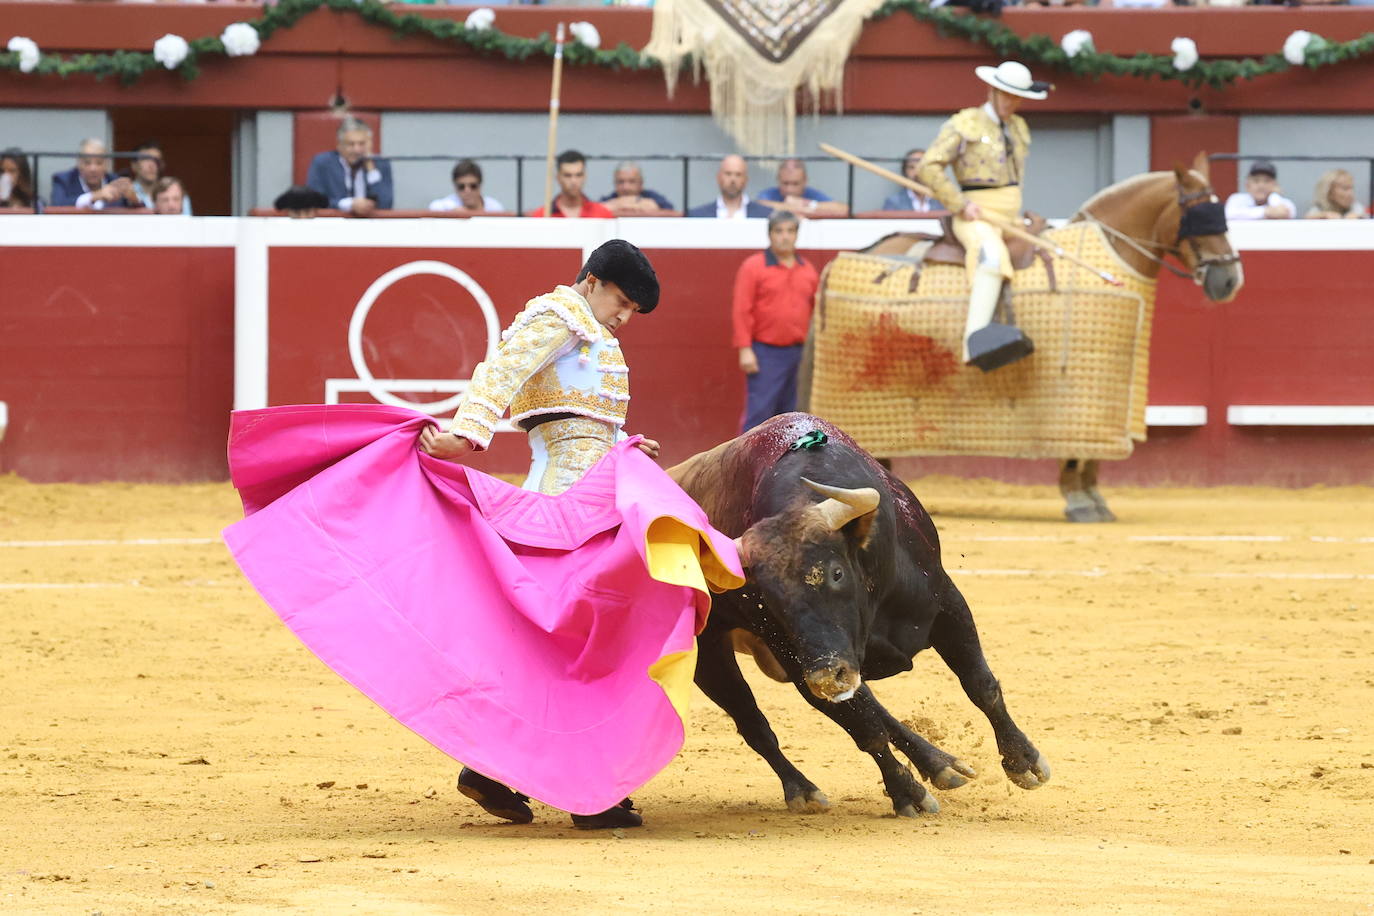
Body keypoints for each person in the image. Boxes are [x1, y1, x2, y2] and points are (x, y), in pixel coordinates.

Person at [419, 239, 662, 828]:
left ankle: (496, 770)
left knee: (581, 637)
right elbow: (501, 371)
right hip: (562, 505)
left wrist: (624, 448)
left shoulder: (588, 328)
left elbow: (585, 425)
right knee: (579, 638)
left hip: (594, 498)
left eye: (632, 310)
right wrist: (469, 435)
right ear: (592, 280)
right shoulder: (558, 317)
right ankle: (583, 788)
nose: (623, 317)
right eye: (621, 301)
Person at [917, 60, 1050, 365]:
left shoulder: (1017, 126)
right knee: (990, 256)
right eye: (1005, 94)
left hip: (1009, 216)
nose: (1010, 102)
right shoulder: (966, 123)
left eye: (1016, 97)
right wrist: (960, 204)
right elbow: (928, 165)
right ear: (992, 90)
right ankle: (973, 344)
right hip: (975, 215)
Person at [731, 210, 820, 432]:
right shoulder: (754, 266)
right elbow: (742, 309)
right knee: (760, 414)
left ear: (797, 235)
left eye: (790, 231)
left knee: (795, 415)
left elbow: (816, 314)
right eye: (779, 231)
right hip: (765, 353)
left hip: (799, 354)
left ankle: (785, 466)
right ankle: (748, 465)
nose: (785, 236)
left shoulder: (807, 270)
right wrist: (745, 348)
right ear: (770, 235)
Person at [305, 118, 394, 216]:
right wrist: (348, 204)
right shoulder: (322, 163)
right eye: (351, 144)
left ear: (370, 144)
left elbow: (386, 204)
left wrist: (371, 169)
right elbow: (313, 201)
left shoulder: (381, 164)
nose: (357, 150)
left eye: (362, 144)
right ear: (339, 146)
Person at [50, 138, 139, 210]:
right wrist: (94, 196)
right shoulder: (63, 180)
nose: (93, 169)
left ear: (107, 164)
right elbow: (57, 207)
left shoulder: (115, 181)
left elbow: (141, 211)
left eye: (99, 163)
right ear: (78, 163)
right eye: (87, 163)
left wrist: (134, 200)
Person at [528, 150, 614, 218]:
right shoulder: (542, 215)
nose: (573, 181)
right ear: (558, 177)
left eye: (578, 175)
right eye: (567, 175)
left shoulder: (602, 214)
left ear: (585, 176)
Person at [687, 154, 772, 219]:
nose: (733, 179)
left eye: (738, 174)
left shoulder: (766, 215)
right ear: (718, 177)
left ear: (746, 179)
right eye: (728, 174)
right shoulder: (697, 216)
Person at [755, 158, 848, 216]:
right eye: (785, 183)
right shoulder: (770, 194)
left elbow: (844, 209)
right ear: (778, 180)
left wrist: (806, 203)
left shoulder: (812, 194)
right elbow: (758, 206)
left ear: (805, 181)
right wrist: (798, 208)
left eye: (795, 184)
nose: (789, 189)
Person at [129, 141, 192, 214]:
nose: (151, 165)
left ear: (162, 165)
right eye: (145, 159)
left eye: (156, 160)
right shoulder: (123, 196)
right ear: (134, 165)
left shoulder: (177, 193)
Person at [1223, 160, 1296, 221]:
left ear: (1275, 185)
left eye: (1267, 181)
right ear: (1247, 185)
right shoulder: (1236, 199)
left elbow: (1285, 212)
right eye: (1256, 181)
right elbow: (1228, 214)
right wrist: (1265, 212)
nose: (1261, 186)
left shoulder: (1285, 202)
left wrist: (1274, 195)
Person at [428, 159, 504, 213]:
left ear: (480, 185)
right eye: (461, 187)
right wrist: (453, 213)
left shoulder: (494, 207)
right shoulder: (447, 205)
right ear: (455, 187)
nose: (467, 191)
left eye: (473, 186)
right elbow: (433, 207)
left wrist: (467, 213)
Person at [598, 161, 674, 214]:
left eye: (632, 181)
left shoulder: (652, 196)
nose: (626, 187)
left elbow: (668, 210)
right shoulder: (609, 198)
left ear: (641, 183)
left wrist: (619, 204)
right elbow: (596, 210)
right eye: (621, 182)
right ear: (615, 183)